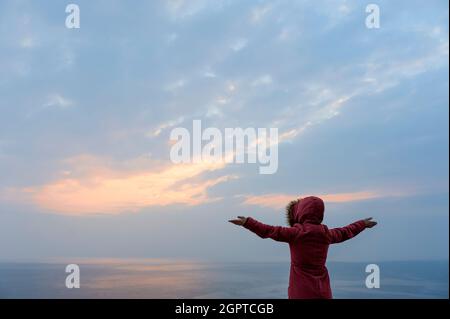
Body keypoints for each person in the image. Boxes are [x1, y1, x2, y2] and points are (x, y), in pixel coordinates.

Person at [229, 196, 377, 299]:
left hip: (301, 292)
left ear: (300, 212)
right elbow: (346, 232)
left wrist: (247, 222)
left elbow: (269, 231)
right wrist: (362, 224)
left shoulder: (296, 233)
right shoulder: (327, 234)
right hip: (324, 291)